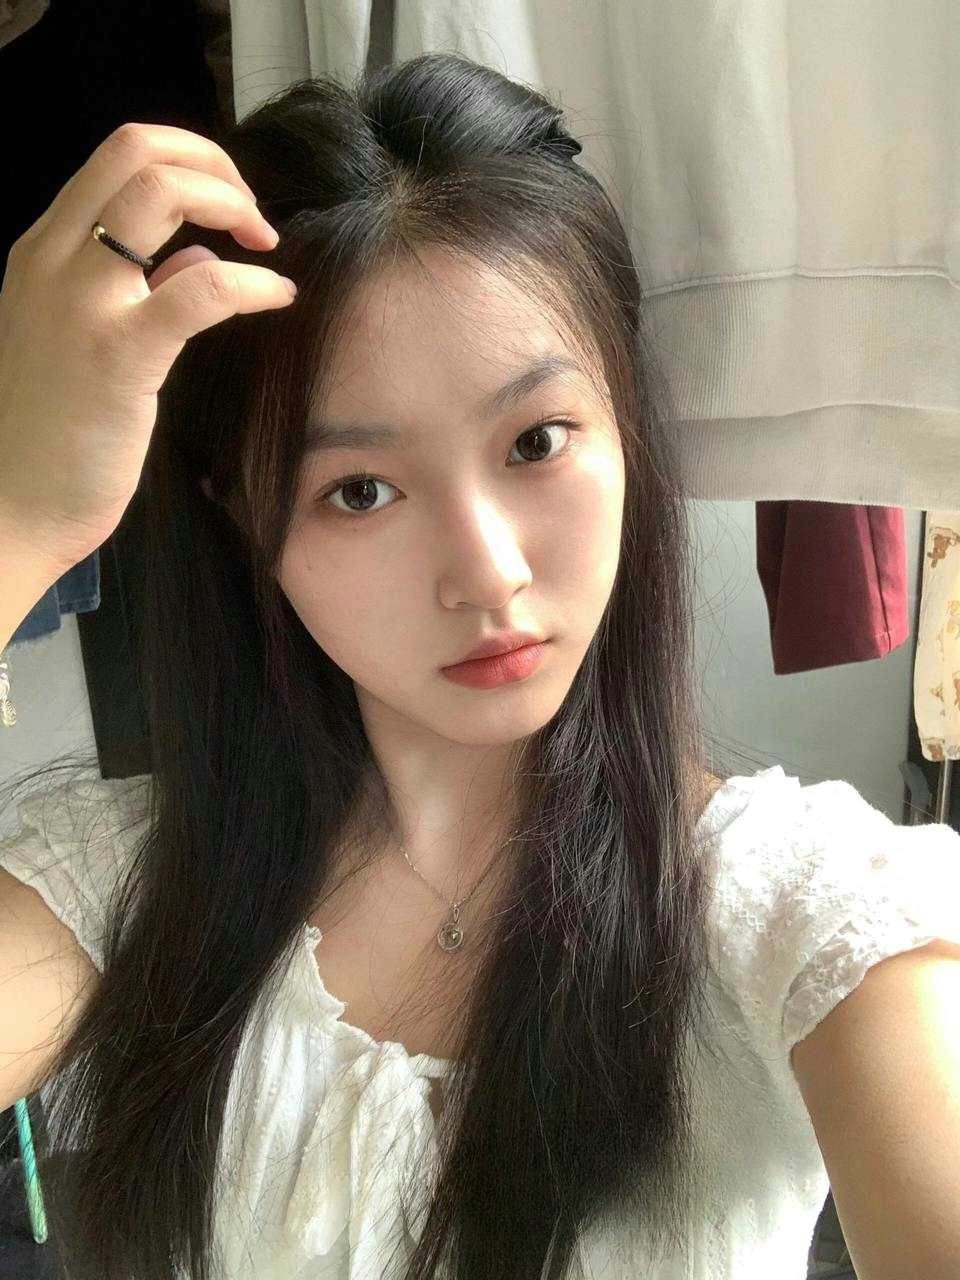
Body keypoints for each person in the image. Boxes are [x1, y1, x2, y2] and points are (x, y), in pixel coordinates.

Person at [2, 50, 957, 1280]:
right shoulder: (130, 885)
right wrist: (20, 517)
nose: (488, 573)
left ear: (626, 425)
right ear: (243, 517)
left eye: (537, 439)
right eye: (360, 489)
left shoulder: (803, 912)